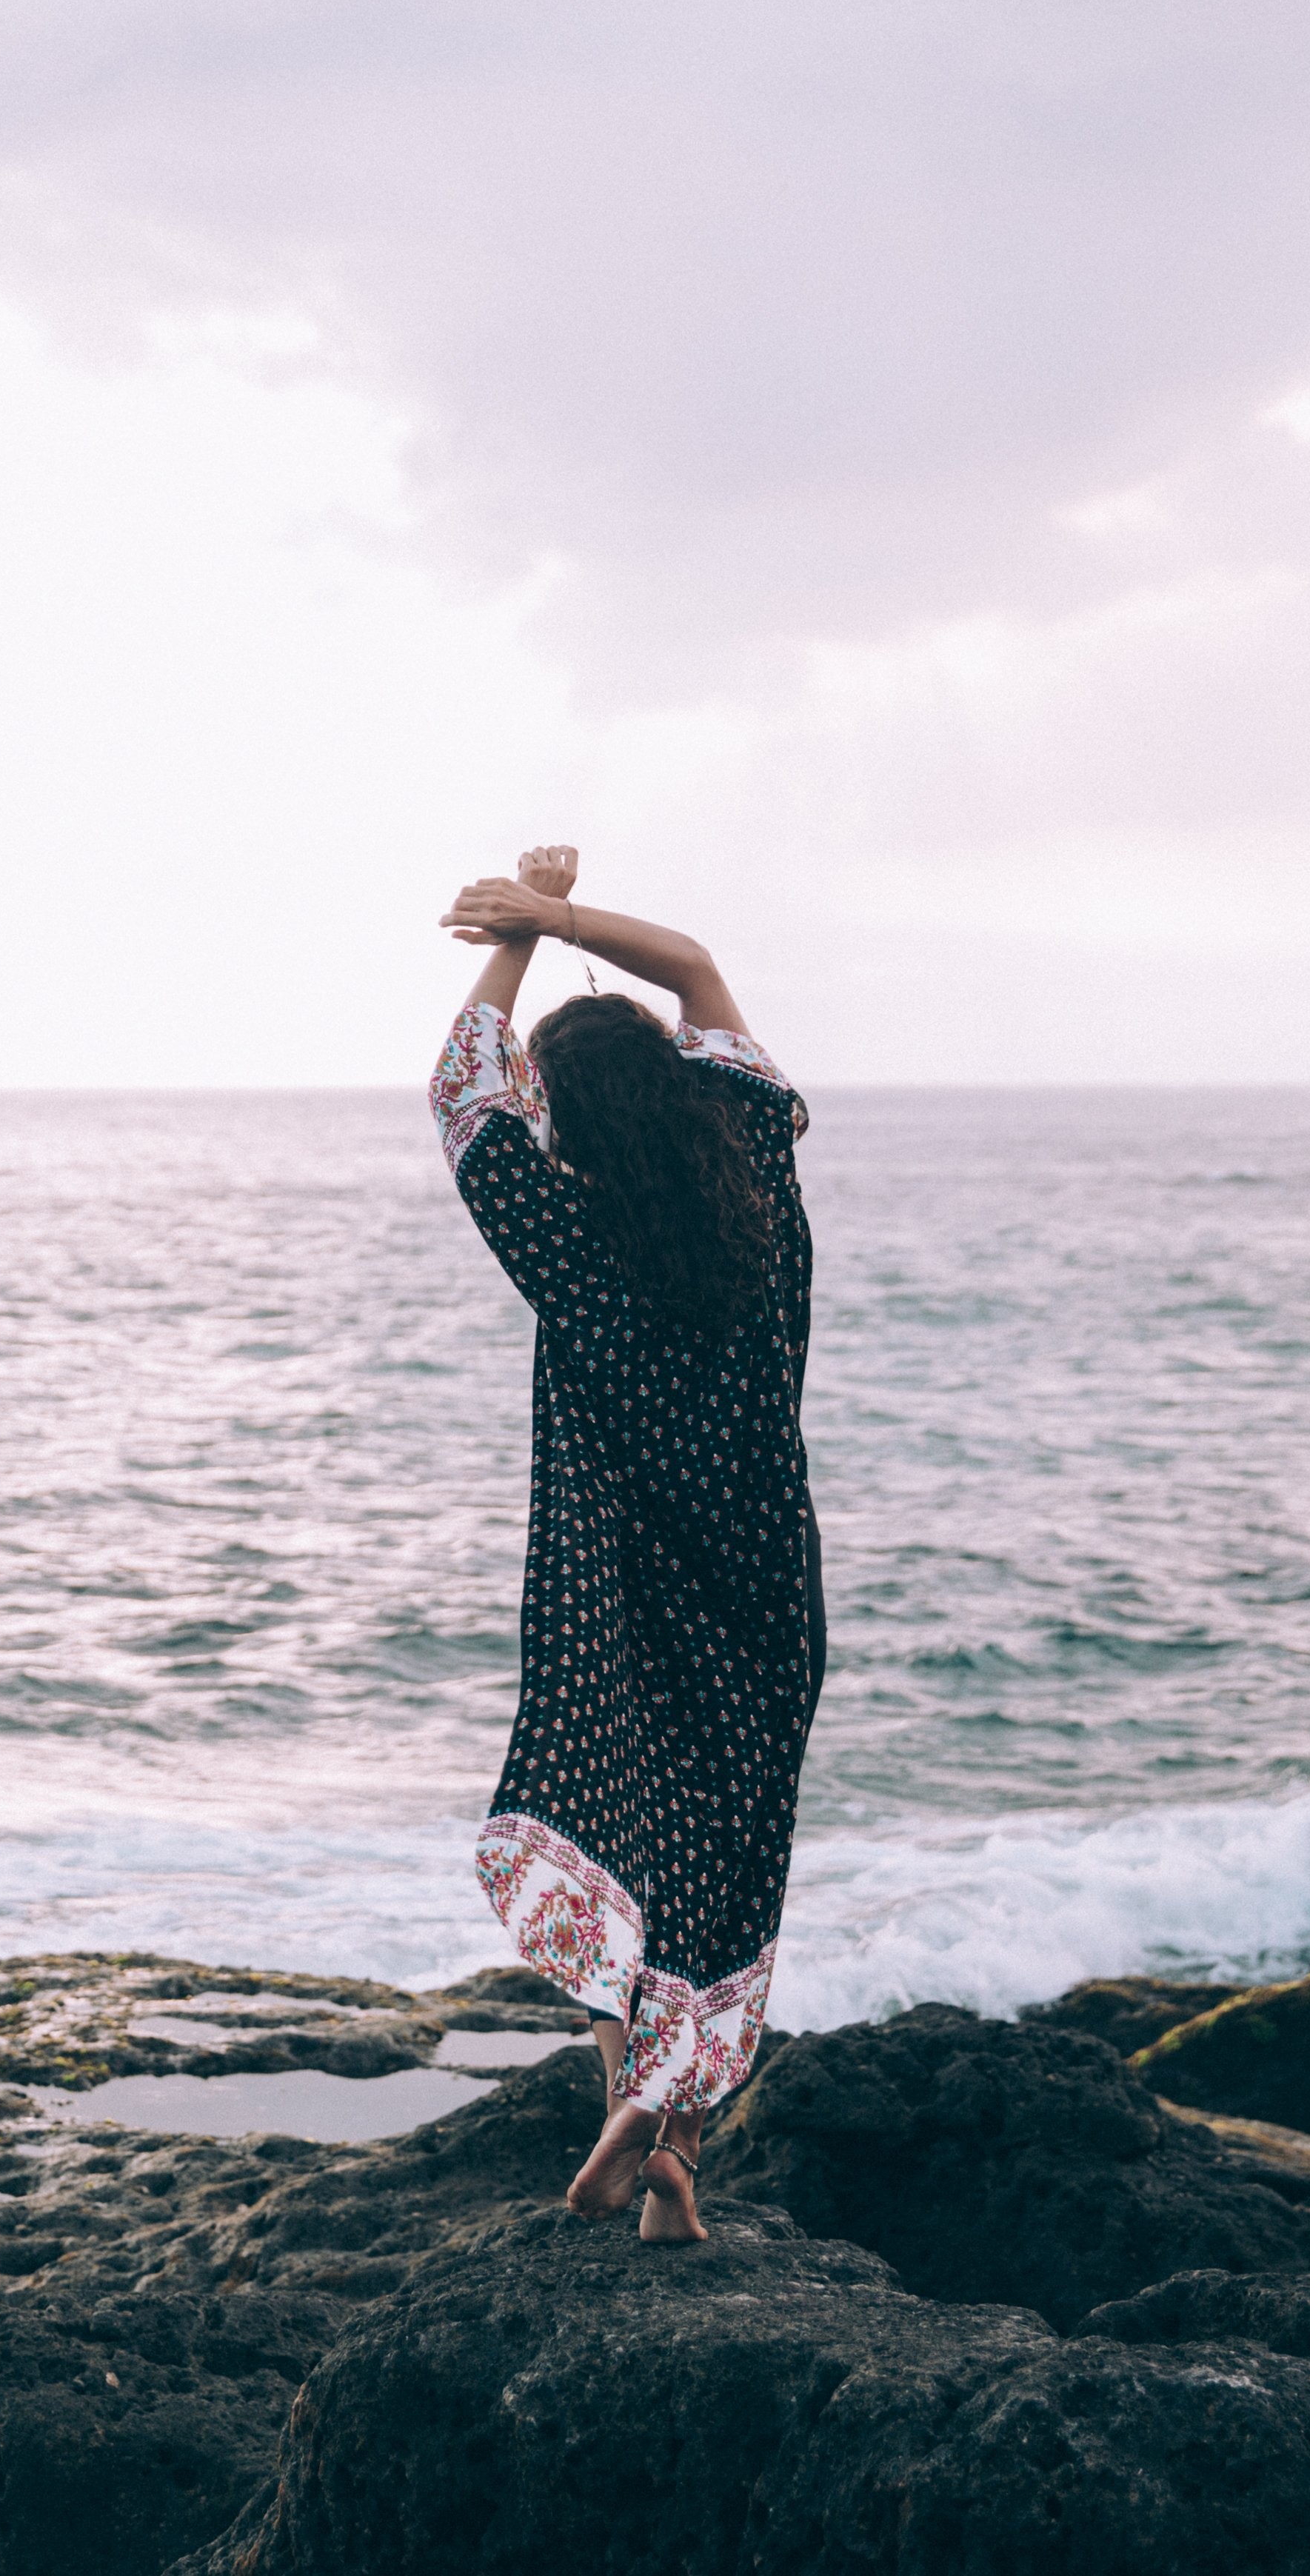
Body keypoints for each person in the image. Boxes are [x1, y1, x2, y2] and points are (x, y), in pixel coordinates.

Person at [432, 847, 823, 2246]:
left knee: (628, 1836)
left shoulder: (566, 1232)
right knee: (728, 1860)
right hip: (770, 1588)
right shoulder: (757, 1177)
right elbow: (702, 969)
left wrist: (513, 941)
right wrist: (566, 916)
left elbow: (460, 1086)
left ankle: (625, 2104)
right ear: (670, 1075)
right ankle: (671, 2147)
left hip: (622, 1599)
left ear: (562, 1112)